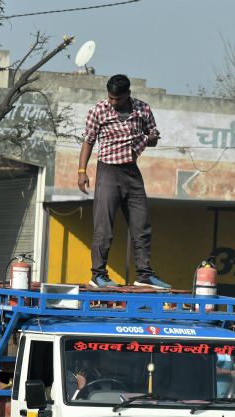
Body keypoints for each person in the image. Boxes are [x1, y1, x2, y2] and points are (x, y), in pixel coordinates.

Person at [77, 74, 171, 290]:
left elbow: (153, 136)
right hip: (108, 172)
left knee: (141, 226)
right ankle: (98, 275)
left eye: (117, 99)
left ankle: (144, 274)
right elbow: (88, 141)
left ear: (127, 95)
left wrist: (151, 138)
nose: (113, 102)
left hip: (132, 172)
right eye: (110, 98)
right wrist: (82, 171)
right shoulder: (98, 111)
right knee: (104, 227)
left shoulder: (142, 109)